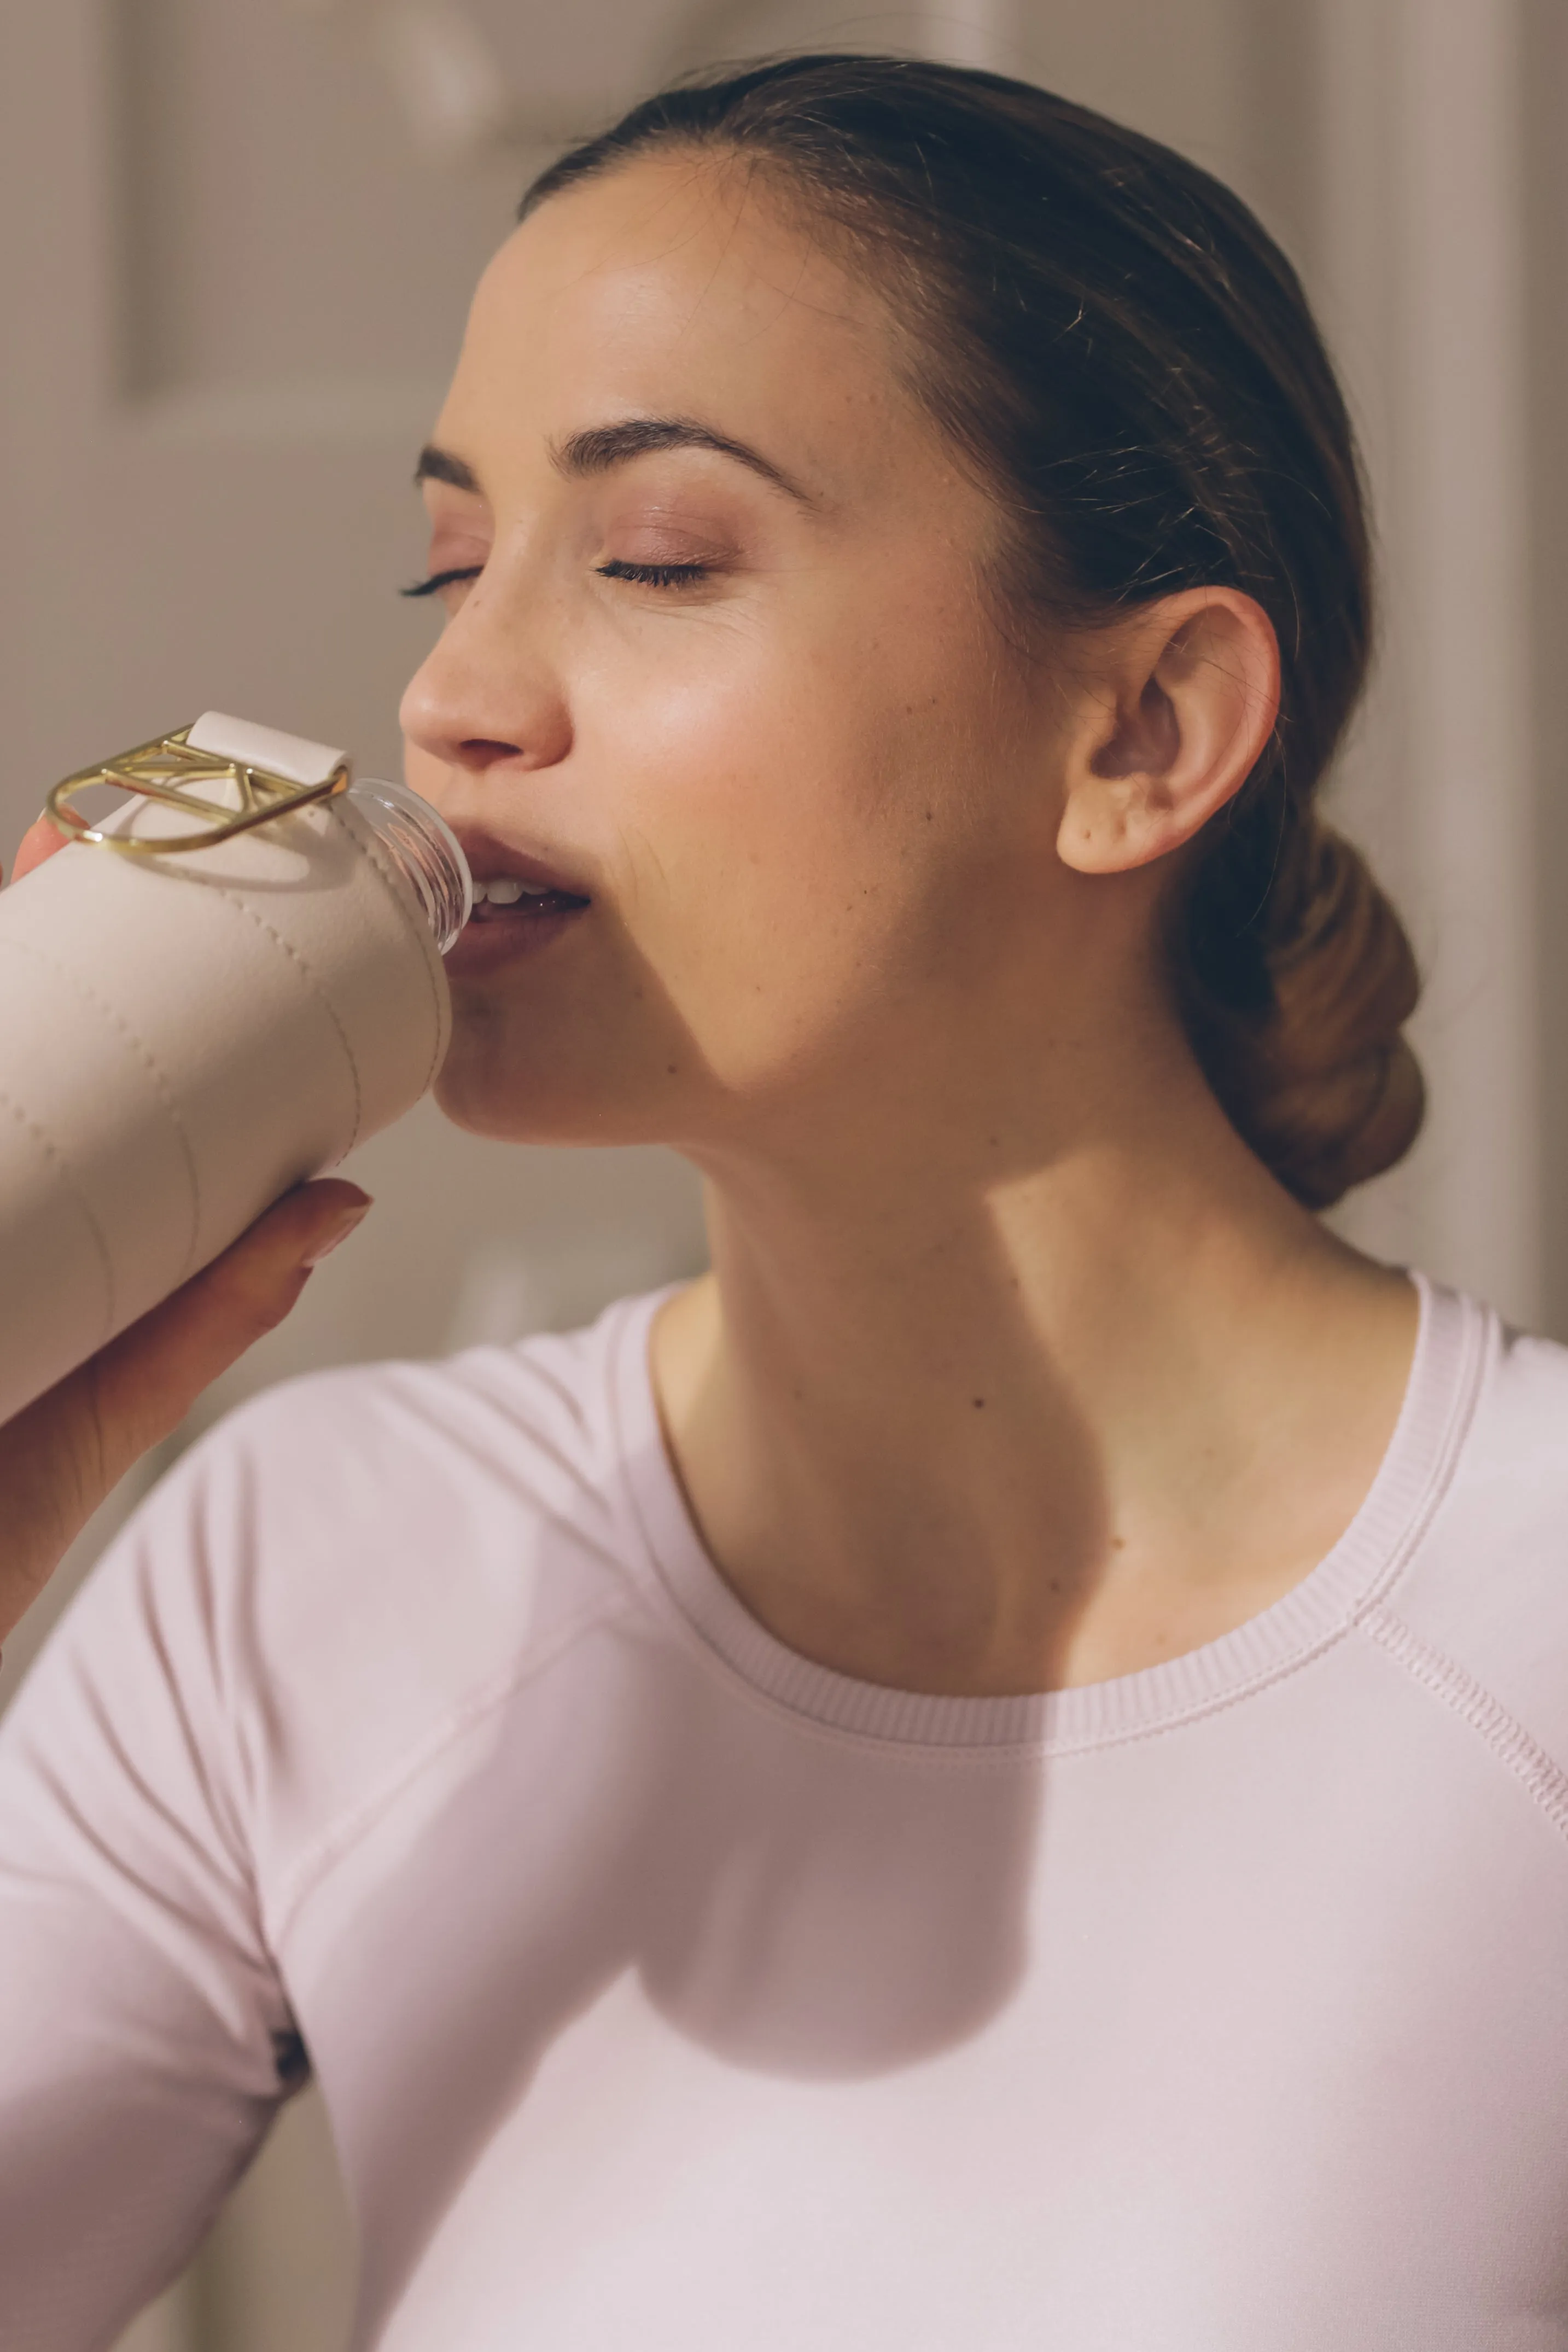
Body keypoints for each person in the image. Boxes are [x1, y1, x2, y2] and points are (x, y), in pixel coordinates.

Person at [2, 52, 1565, 2351]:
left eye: (651, 560)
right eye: (449, 561)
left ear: (1136, 731)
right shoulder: (309, 1577)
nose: (450, 694)